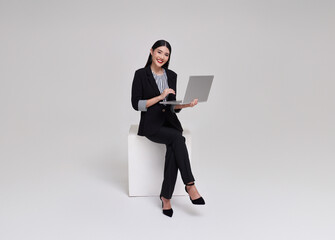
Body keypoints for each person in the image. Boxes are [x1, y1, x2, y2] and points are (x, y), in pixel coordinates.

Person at [131, 40, 205, 217]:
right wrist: (160, 96)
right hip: (151, 125)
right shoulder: (140, 74)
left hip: (170, 123)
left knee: (175, 144)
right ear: (151, 51)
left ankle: (166, 197)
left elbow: (171, 106)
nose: (162, 57)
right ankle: (190, 184)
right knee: (178, 139)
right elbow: (137, 104)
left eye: (166, 54)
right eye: (159, 52)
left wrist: (186, 105)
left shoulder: (172, 75)